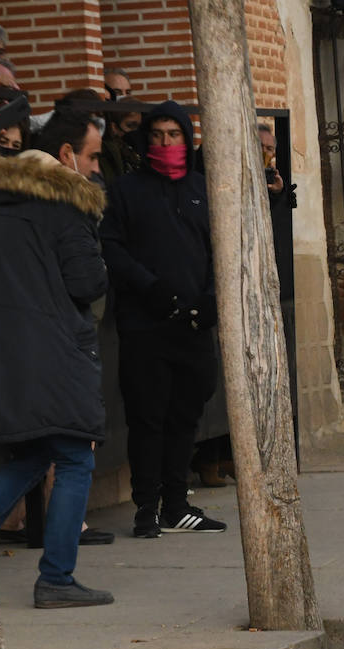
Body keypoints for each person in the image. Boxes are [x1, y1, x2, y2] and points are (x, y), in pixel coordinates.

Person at [0, 109, 113, 607]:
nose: (92, 171)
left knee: (36, 450)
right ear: (61, 162)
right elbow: (87, 283)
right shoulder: (65, 207)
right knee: (73, 455)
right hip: (53, 349)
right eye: (91, 159)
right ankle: (57, 578)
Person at [101, 100, 227, 536]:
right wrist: (149, 288)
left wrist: (211, 300)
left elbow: (221, 251)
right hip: (144, 326)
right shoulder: (124, 191)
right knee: (147, 419)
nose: (165, 143)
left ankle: (178, 504)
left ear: (187, 139)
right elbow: (112, 248)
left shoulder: (204, 189)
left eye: (174, 135)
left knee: (184, 417)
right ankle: (146, 508)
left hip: (193, 327)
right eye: (157, 136)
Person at [98, 100, 142, 187]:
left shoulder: (133, 152)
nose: (135, 131)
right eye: (130, 125)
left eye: (139, 126)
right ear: (113, 127)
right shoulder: (108, 154)